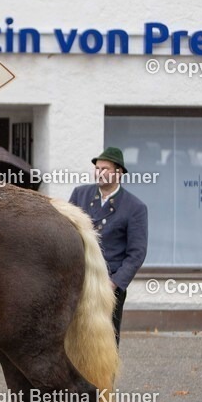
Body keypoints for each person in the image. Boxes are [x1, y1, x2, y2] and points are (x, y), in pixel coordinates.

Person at [69, 147, 148, 346]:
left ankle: (104, 378)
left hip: (108, 284)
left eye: (105, 169)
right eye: (97, 168)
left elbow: (136, 253)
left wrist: (114, 283)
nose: (99, 172)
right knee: (75, 337)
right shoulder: (80, 195)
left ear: (118, 172)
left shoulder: (135, 207)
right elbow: (68, 233)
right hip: (79, 279)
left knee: (105, 343)